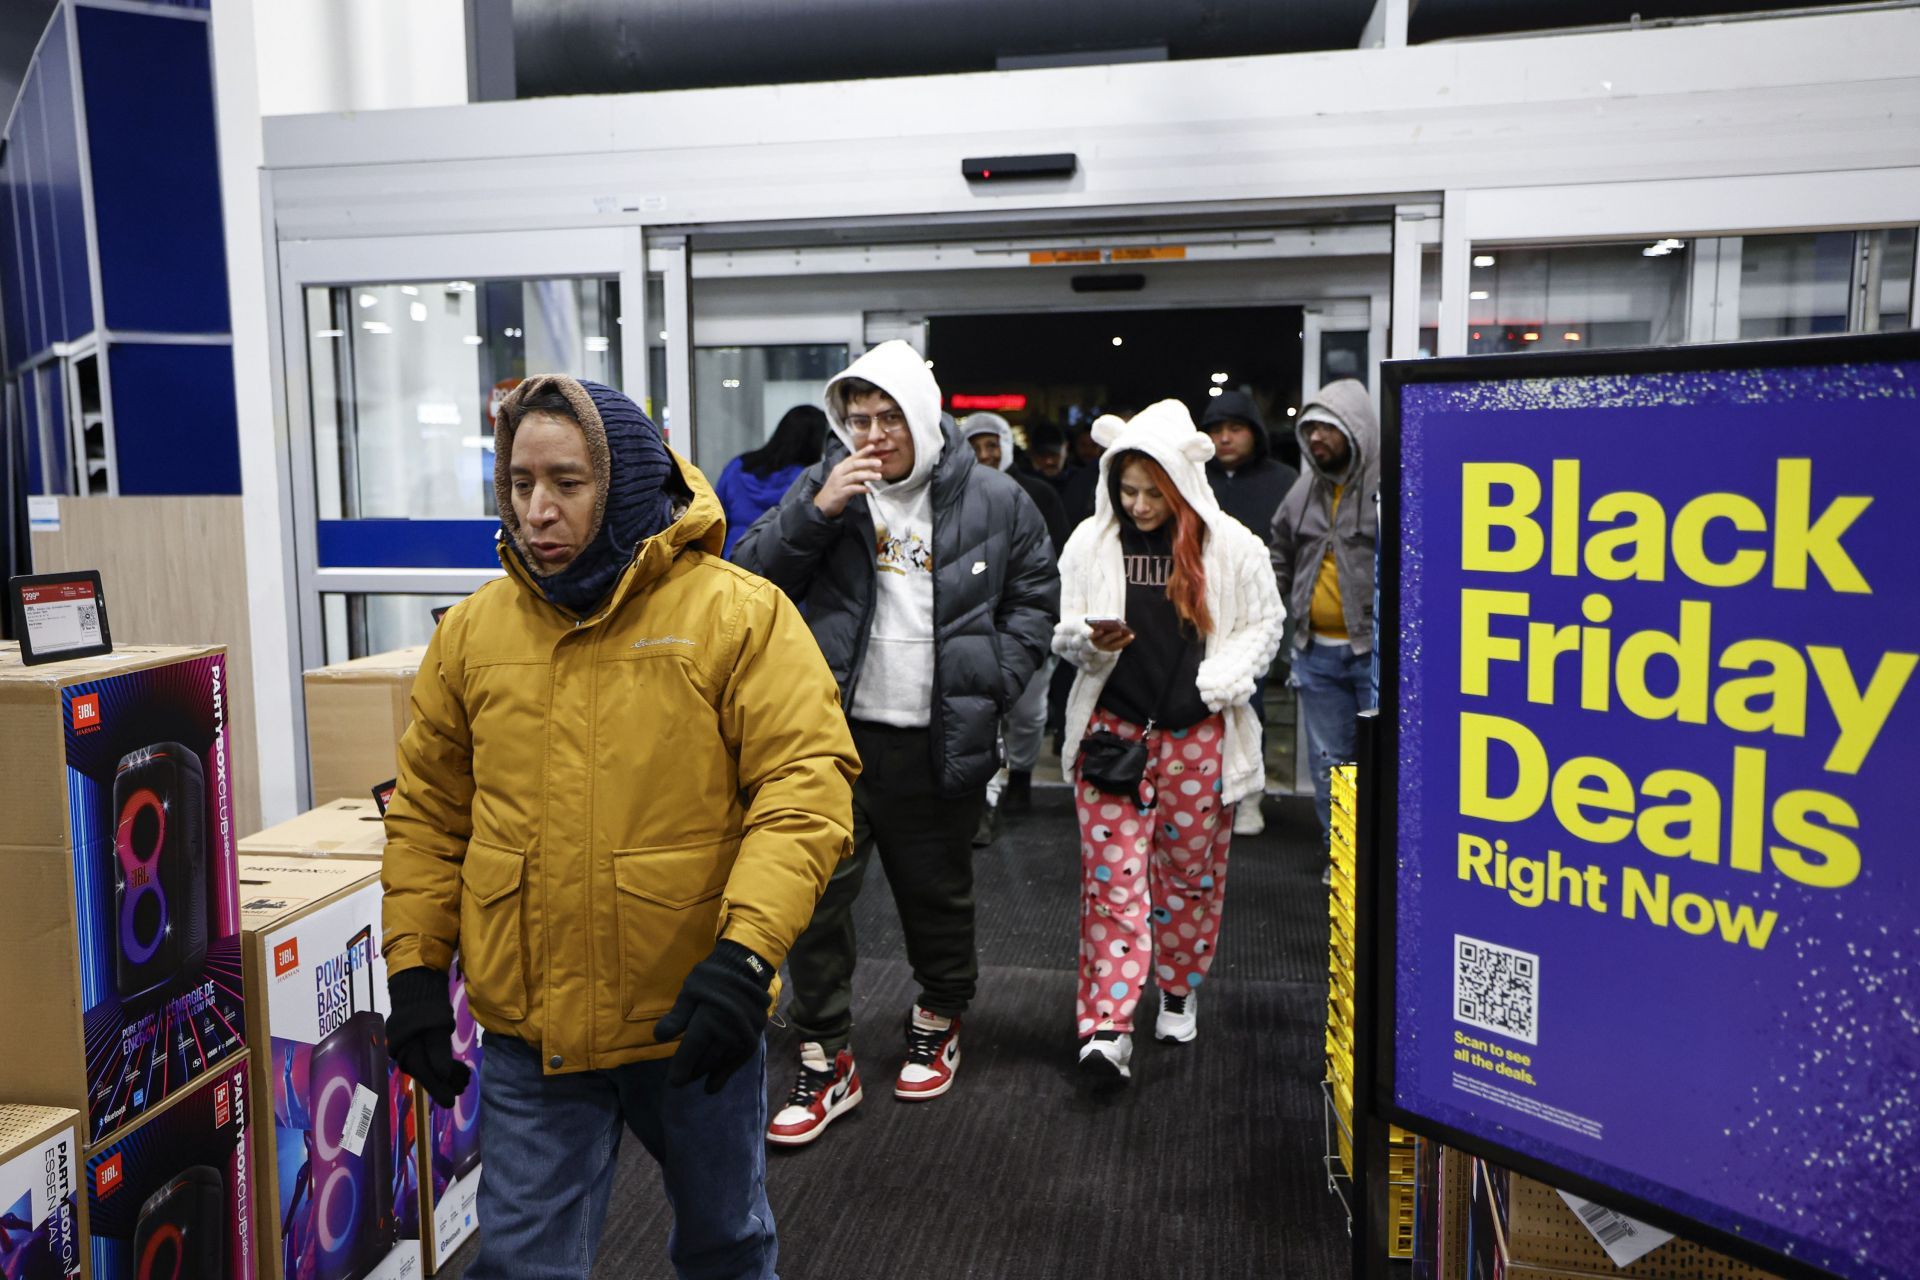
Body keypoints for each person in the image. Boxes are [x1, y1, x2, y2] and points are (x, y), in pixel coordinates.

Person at [381, 374, 858, 1279]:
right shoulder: (474, 635)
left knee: (726, 1243)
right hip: (532, 1029)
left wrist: (748, 955)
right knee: (522, 1263)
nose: (538, 511)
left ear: (625, 483)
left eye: (567, 482)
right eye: (520, 485)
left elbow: (806, 786)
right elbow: (431, 812)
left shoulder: (736, 614)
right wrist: (412, 969)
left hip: (693, 1013)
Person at [735, 340, 1058, 1145]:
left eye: (886, 418)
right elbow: (748, 584)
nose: (871, 435)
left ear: (921, 416)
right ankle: (823, 1054)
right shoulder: (824, 488)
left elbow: (1034, 598)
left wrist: (993, 680)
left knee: (936, 894)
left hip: (938, 736)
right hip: (833, 740)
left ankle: (940, 1014)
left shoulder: (995, 499)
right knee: (813, 903)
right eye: (857, 419)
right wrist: (817, 514)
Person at [1052, 401, 1284, 1083]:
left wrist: (1226, 675)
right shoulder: (1090, 544)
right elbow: (1063, 629)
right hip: (1112, 734)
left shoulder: (1232, 546)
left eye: (1155, 491)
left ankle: (1178, 985)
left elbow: (1263, 624)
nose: (1140, 504)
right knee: (1112, 885)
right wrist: (1087, 643)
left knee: (1189, 879)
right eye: (1127, 490)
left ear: (1183, 483)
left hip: (1198, 740)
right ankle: (1107, 1025)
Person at [1269, 378, 1380, 870]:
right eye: (1309, 429)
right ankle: (1342, 861)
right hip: (1316, 653)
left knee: (1385, 764)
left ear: (1357, 431)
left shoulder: (1389, 487)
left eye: (1328, 429)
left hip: (1376, 654)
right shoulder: (1303, 492)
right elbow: (1280, 554)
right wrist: (1274, 610)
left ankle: (1382, 867)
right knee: (1330, 764)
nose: (1316, 439)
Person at [961, 411, 1066, 845]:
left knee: (1027, 713)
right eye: (976, 446)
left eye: (993, 445)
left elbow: (1053, 565)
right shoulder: (954, 495)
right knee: (984, 714)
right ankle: (986, 799)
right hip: (973, 621)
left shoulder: (1037, 492)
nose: (986, 454)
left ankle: (1020, 773)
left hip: (1028, 621)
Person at [1201, 390, 1300, 837]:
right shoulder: (1191, 478)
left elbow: (1296, 547)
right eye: (1216, 430)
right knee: (1197, 705)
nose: (1225, 438)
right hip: (1195, 612)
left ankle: (1248, 798)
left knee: (1249, 702)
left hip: (1256, 614)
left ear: (1254, 434)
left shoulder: (1285, 480)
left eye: (1235, 429)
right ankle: (1202, 795)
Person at [714, 404, 828, 559]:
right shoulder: (807, 479)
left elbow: (715, 516)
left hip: (733, 562)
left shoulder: (738, 466)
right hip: (777, 565)